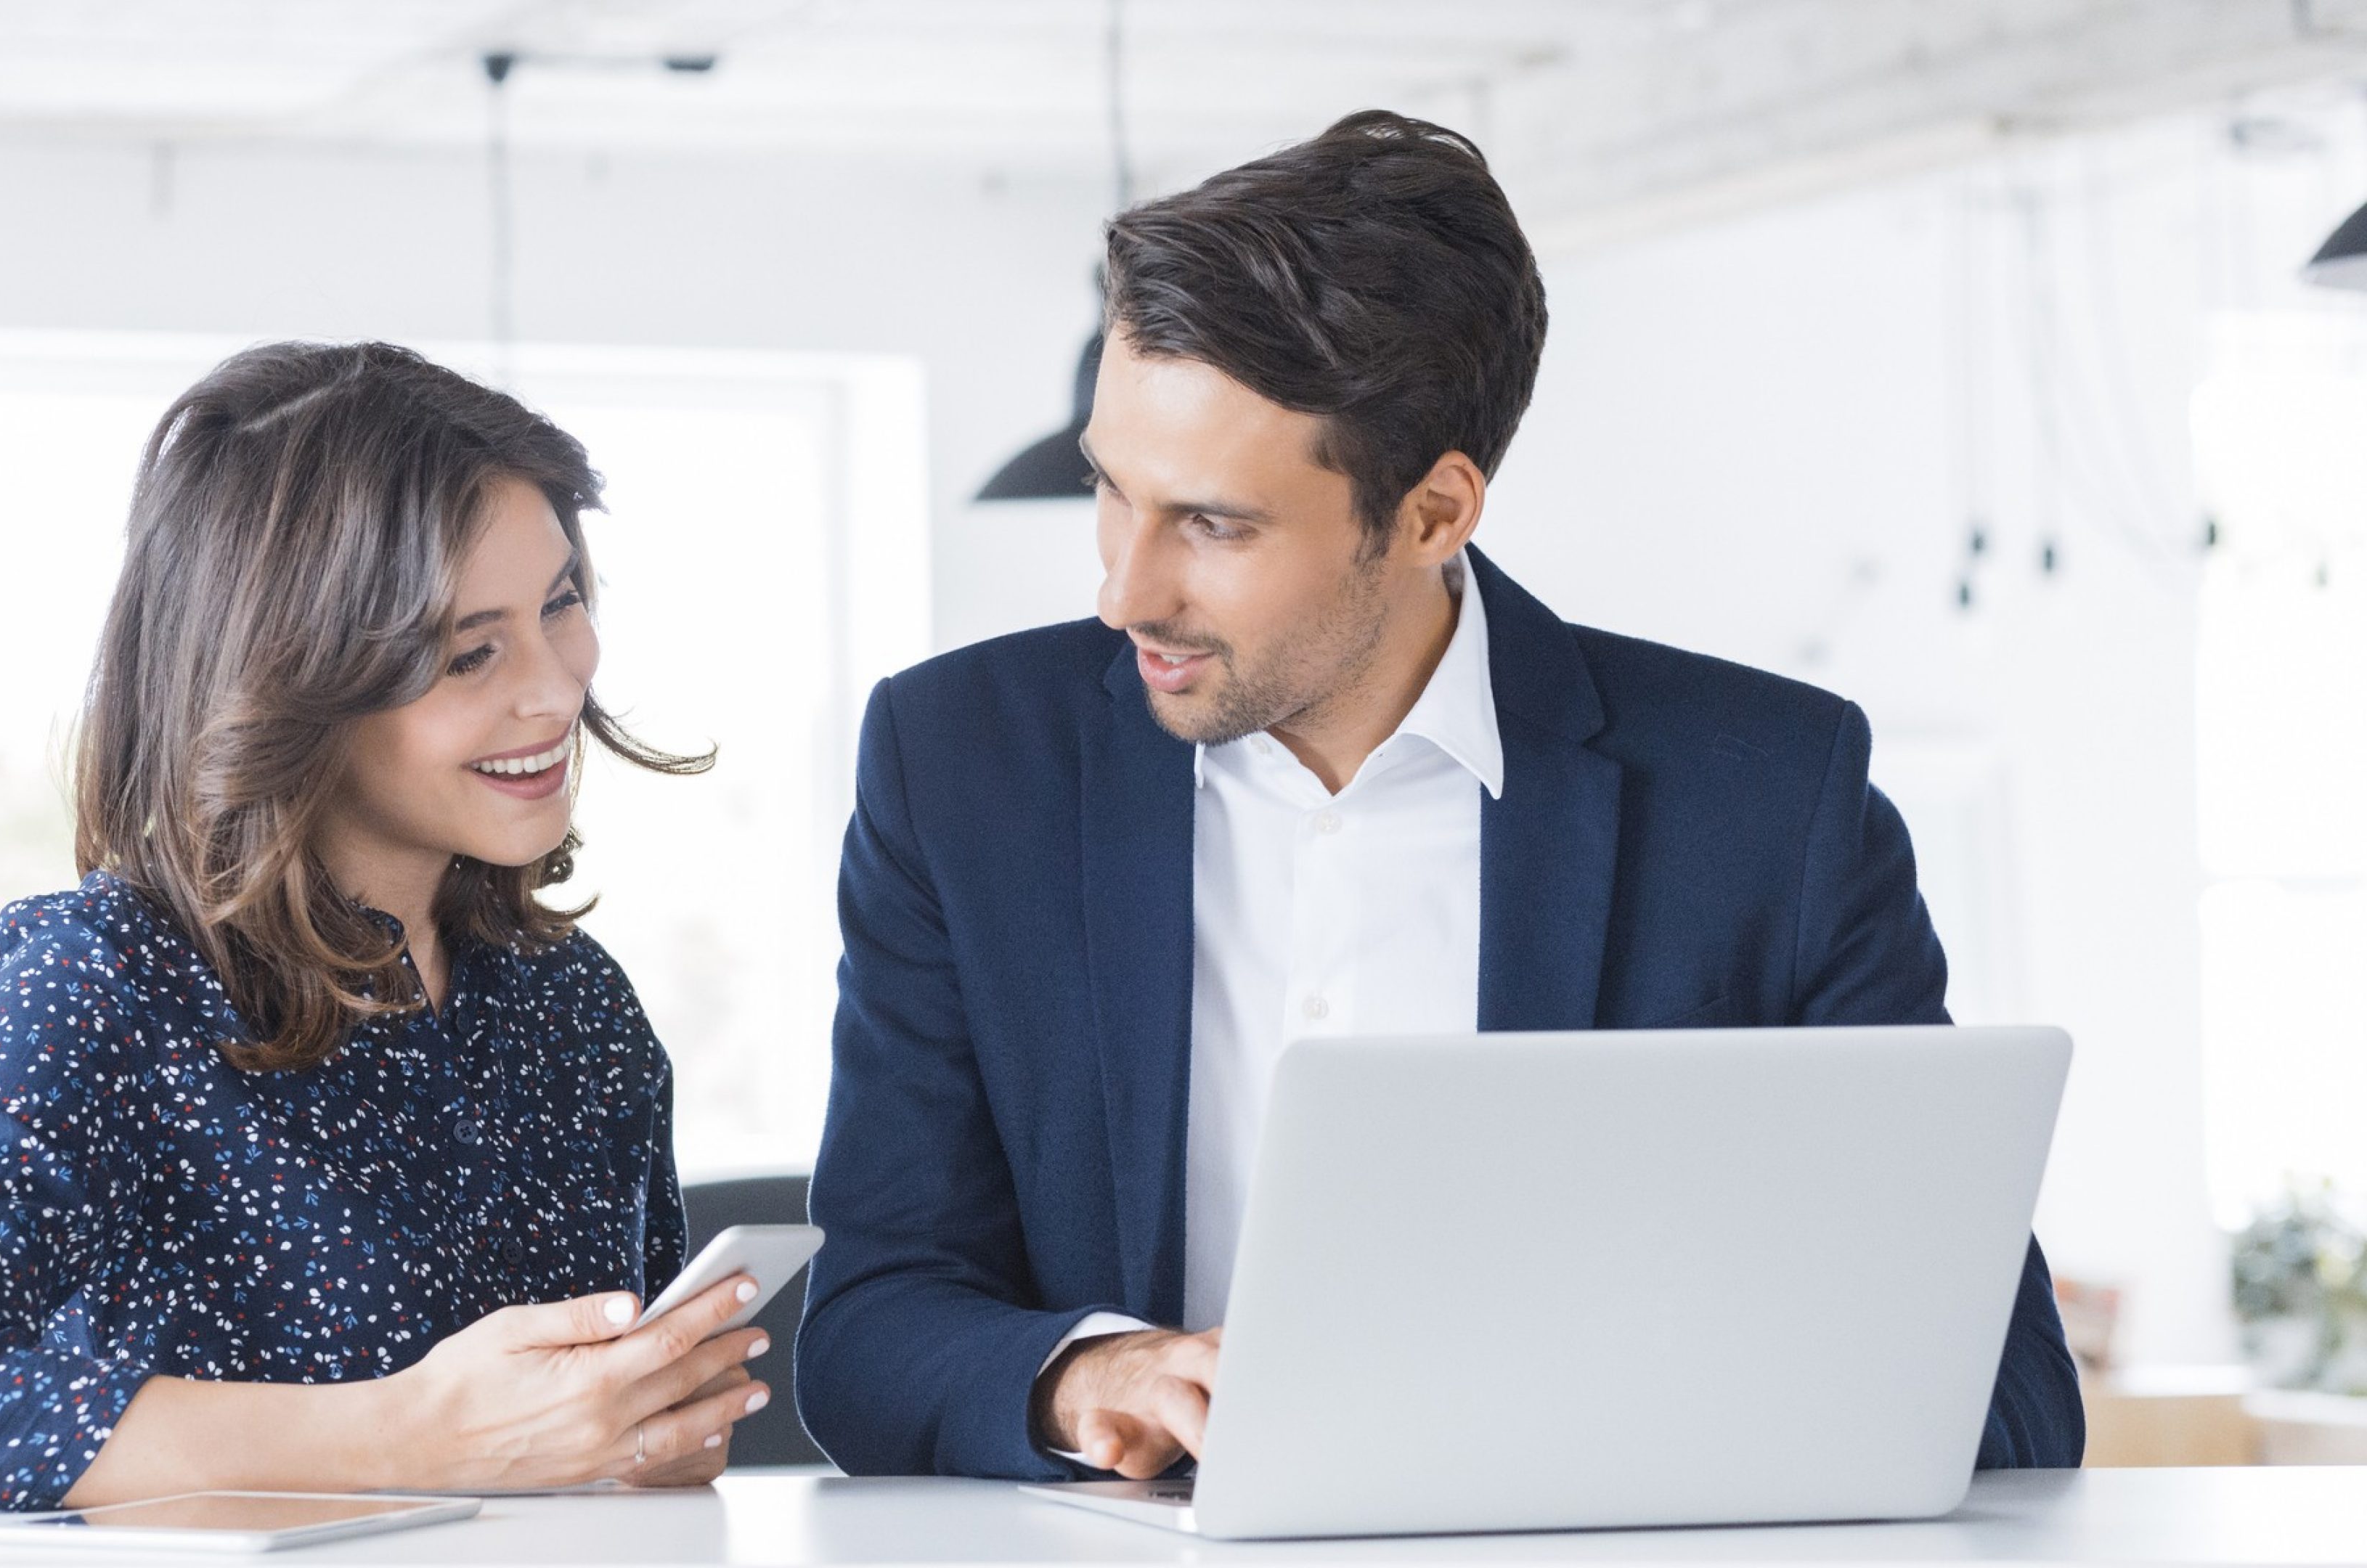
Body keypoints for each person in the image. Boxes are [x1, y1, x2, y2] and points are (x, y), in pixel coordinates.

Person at [795, 111, 2083, 1481]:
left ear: (1432, 512)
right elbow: (869, 1329)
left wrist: (1594, 1432)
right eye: (1115, 492)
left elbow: (1999, 1396)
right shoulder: (960, 763)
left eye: (1214, 526)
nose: (1124, 590)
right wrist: (1083, 1379)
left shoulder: (1771, 800)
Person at [0, 342, 773, 1511]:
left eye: (562, 604)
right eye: (471, 652)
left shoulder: (573, 1004)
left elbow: (606, 1440)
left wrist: (645, 1430)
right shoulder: (109, 980)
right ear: (294, 681)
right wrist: (405, 1435)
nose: (558, 689)